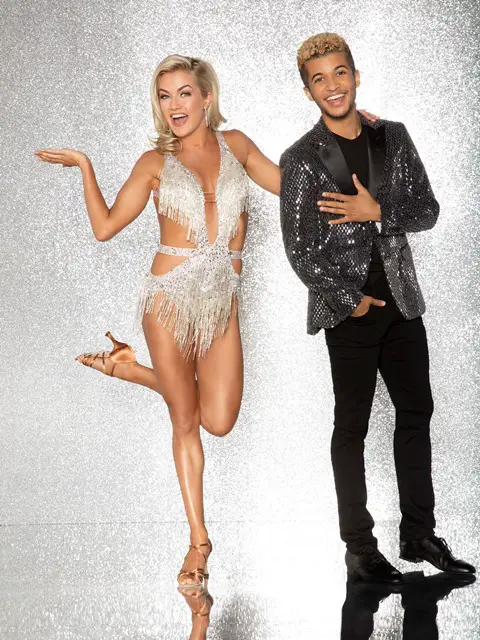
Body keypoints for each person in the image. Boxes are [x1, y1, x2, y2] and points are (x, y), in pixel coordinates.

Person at [35, 55, 379, 616]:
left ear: (206, 97)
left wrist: (344, 134)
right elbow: (104, 227)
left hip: (221, 303)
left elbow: (295, 185)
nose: (175, 105)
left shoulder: (236, 146)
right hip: (167, 302)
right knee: (185, 421)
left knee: (218, 420)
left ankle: (130, 369)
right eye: (164, 95)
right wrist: (84, 166)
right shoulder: (154, 162)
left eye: (184, 93)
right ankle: (198, 541)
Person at [279, 33, 476, 584]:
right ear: (308, 91)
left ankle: (419, 534)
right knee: (352, 428)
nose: (332, 85)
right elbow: (299, 250)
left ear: (356, 75)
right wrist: (350, 301)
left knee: (417, 414)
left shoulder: (394, 137)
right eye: (319, 78)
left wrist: (378, 211)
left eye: (340, 72)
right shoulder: (300, 158)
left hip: (403, 303)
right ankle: (360, 547)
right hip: (350, 313)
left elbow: (427, 210)